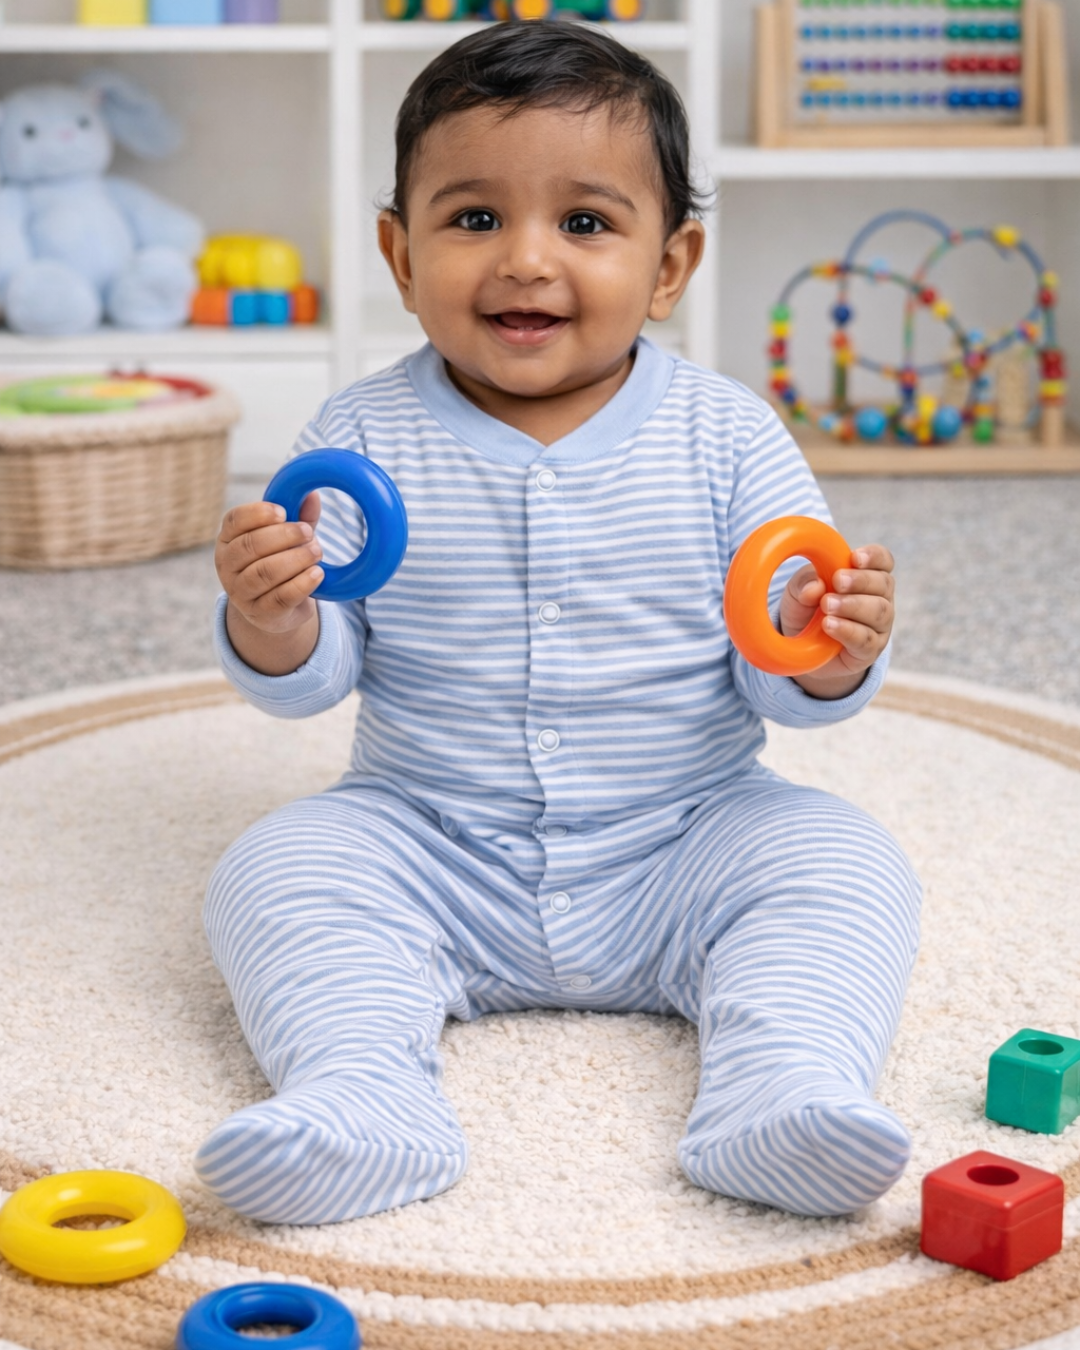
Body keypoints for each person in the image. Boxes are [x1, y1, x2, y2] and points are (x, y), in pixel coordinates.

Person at [199, 20, 920, 1227]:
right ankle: (365, 1099)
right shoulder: (362, 436)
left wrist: (835, 645)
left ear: (672, 263)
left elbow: (785, 674)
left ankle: (781, 1091)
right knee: (275, 867)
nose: (525, 262)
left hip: (686, 837)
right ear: (399, 250)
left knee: (843, 861)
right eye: (473, 219)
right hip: (432, 841)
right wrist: (267, 615)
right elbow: (317, 674)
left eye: (585, 223)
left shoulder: (730, 436)